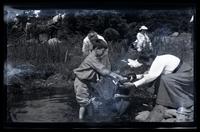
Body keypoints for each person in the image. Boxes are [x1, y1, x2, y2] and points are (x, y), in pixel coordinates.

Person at [123, 53, 194, 122]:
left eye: (146, 63)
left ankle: (171, 104)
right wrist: (135, 76)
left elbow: (151, 76)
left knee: (164, 80)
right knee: (162, 79)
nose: (147, 65)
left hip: (185, 74)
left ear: (150, 59)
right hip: (179, 74)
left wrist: (134, 84)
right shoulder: (157, 60)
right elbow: (148, 74)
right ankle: (165, 102)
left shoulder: (159, 61)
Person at [73, 39, 126, 120]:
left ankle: (90, 117)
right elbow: (104, 71)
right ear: (97, 49)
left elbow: (102, 71)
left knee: (89, 101)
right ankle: (80, 120)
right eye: (103, 50)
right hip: (81, 82)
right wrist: (118, 76)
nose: (104, 53)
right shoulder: (91, 58)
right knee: (83, 103)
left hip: (87, 82)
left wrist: (114, 76)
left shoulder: (96, 58)